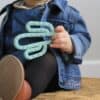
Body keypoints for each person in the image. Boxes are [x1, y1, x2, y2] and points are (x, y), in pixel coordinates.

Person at [0, 0, 91, 99]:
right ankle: (11, 85)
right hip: (19, 67)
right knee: (8, 63)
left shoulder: (65, 12)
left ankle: (23, 91)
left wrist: (71, 43)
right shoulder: (12, 13)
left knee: (47, 60)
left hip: (53, 74)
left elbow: (84, 37)